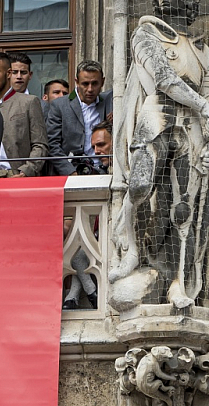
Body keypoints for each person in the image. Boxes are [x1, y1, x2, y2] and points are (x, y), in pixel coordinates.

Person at [110, 0, 209, 308]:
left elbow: (206, 88)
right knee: (139, 186)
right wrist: (203, 106)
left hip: (190, 128)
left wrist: (207, 141)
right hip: (157, 119)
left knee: (184, 207)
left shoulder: (200, 47)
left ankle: (180, 281)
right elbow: (164, 78)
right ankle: (134, 253)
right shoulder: (146, 34)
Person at [63, 120, 112, 310]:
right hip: (97, 229)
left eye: (102, 145)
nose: (97, 151)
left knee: (78, 252)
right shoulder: (101, 169)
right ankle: (89, 294)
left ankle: (79, 295)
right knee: (77, 250)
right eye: (93, 147)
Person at [0, 52, 47, 177]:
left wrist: (26, 171)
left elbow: (40, 144)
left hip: (17, 176)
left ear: (8, 73)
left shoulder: (28, 102)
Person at [46, 60, 111, 176]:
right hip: (71, 173)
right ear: (76, 82)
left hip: (105, 171)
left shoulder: (110, 101)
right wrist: (70, 171)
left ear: (103, 82)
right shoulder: (59, 106)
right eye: (85, 84)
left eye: (95, 83)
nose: (90, 89)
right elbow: (52, 144)